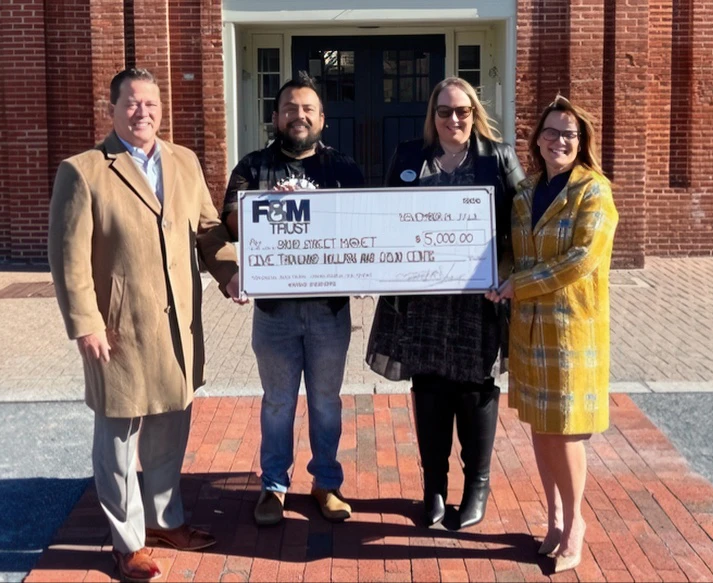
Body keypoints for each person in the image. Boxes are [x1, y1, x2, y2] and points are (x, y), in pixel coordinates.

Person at [48, 68, 243, 583]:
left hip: (179, 326)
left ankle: (163, 520)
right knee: (117, 437)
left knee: (170, 425)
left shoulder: (184, 161)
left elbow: (206, 233)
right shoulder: (84, 170)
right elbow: (67, 260)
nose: (143, 113)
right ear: (111, 109)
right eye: (132, 104)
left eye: (152, 104)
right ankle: (128, 541)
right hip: (117, 328)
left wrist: (230, 276)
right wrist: (84, 323)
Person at [365, 77, 524, 528]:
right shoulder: (409, 156)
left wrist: (509, 272)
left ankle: (477, 487)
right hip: (423, 302)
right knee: (430, 391)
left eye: (462, 111)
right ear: (431, 116)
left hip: (479, 301)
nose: (453, 119)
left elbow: (525, 219)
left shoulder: (498, 157)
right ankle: (433, 489)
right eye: (444, 111)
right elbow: (385, 221)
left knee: (474, 391)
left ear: (474, 114)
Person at [221, 74, 364, 526]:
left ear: (322, 118)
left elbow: (366, 227)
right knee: (277, 401)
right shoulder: (252, 166)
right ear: (275, 116)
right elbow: (230, 223)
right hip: (274, 312)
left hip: (329, 310)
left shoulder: (343, 168)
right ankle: (274, 486)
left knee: (326, 400)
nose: (297, 116)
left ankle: (326, 482)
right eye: (289, 108)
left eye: (307, 109)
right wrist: (271, 210)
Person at [487, 95, 619, 574]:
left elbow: (582, 259)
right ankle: (555, 517)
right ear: (536, 138)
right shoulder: (526, 193)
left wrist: (516, 284)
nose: (557, 140)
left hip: (570, 330)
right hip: (528, 329)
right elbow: (511, 253)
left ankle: (577, 523)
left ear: (582, 142)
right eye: (550, 132)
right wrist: (494, 274)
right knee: (542, 431)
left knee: (565, 432)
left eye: (568, 134)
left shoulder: (594, 191)